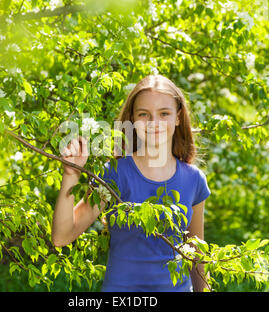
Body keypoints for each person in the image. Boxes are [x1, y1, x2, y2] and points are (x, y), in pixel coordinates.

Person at [52, 74, 211, 292]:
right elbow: (62, 236)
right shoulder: (114, 174)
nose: (154, 123)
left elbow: (197, 254)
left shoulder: (194, 180)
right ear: (133, 120)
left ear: (178, 116)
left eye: (164, 113)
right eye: (144, 114)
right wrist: (71, 174)